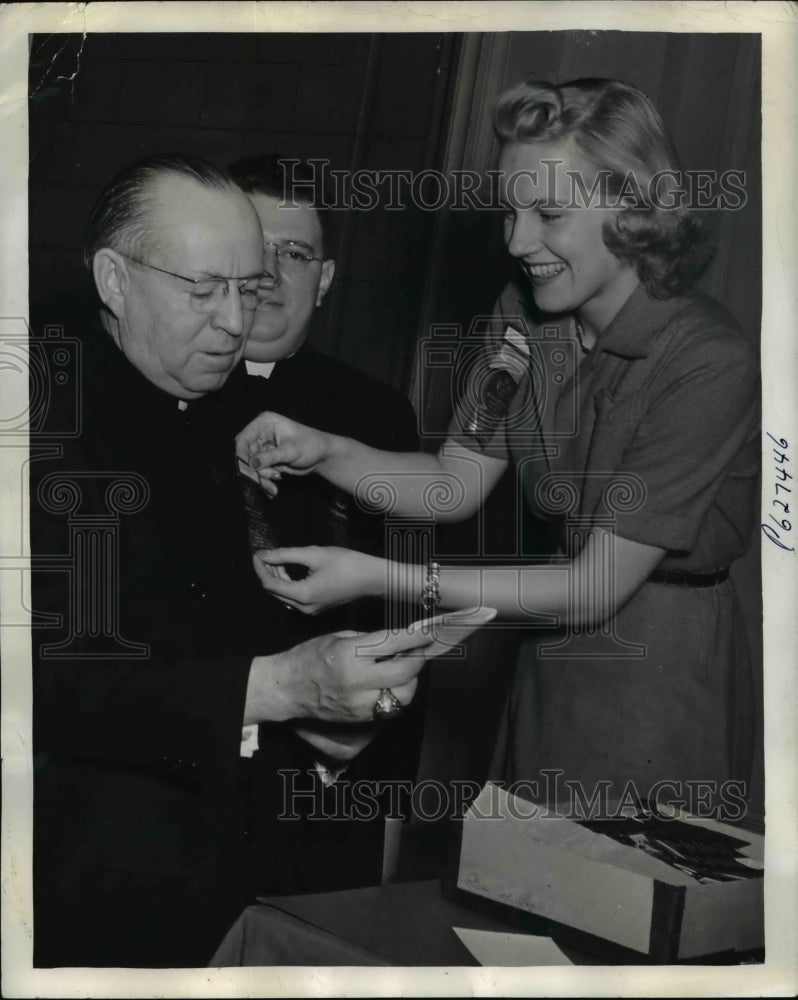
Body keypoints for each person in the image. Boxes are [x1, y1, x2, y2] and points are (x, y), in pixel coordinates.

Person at [236, 78, 760, 818]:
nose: (516, 242)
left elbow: (593, 588)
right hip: (550, 654)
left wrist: (376, 575)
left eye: (547, 213)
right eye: (509, 212)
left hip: (662, 668)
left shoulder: (708, 360)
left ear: (632, 206)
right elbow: (453, 480)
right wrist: (323, 449)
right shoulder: (522, 314)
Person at [30, 154, 432, 967]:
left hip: (247, 863)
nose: (232, 325)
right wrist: (286, 686)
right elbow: (54, 684)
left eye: (246, 290)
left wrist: (327, 722)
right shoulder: (43, 421)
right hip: (100, 890)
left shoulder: (227, 409)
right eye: (201, 290)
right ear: (114, 279)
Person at [225, 153, 426, 891]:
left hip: (333, 773)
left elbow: (410, 606)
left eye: (295, 255)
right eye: (253, 252)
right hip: (191, 761)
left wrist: (376, 774)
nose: (271, 276)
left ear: (327, 280)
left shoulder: (376, 416)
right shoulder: (156, 401)